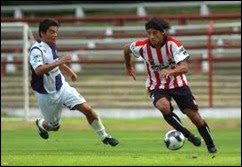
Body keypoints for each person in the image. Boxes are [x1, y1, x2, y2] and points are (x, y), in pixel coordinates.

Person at [123, 17, 217, 153]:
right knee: (163, 106)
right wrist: (128, 66)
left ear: (162, 33)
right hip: (157, 85)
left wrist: (171, 71)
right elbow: (126, 49)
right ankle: (188, 135)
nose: (151, 36)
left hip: (178, 84)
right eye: (148, 33)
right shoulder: (142, 46)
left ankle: (210, 145)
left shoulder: (173, 44)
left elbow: (185, 68)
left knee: (195, 117)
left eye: (155, 33)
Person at [29, 18, 119, 147]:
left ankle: (105, 136)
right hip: (46, 94)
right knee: (54, 127)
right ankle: (41, 123)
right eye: (51, 32)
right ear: (42, 33)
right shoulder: (36, 50)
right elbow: (38, 70)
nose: (55, 35)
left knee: (87, 109)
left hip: (62, 87)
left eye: (56, 32)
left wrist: (69, 70)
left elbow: (54, 61)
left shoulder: (51, 44)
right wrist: (60, 62)